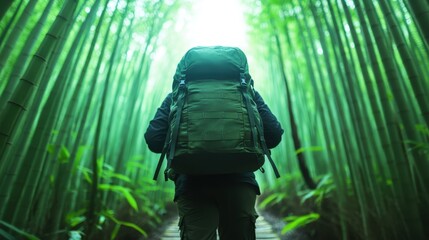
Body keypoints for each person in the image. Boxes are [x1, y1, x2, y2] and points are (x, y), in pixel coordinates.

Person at [144, 47, 283, 240]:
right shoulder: (246, 93)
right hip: (239, 183)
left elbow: (154, 139)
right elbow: (274, 135)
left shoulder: (179, 95)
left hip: (192, 184)